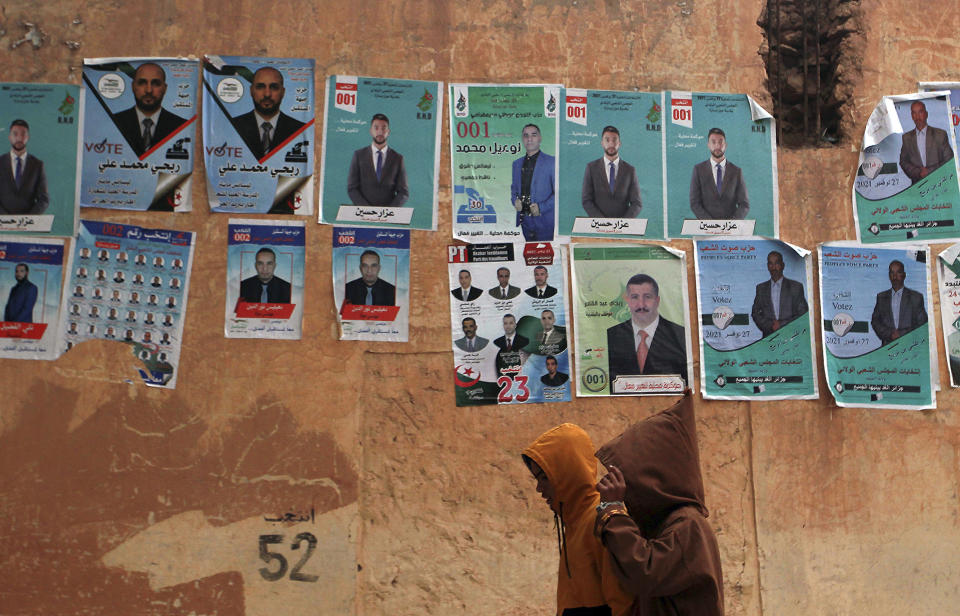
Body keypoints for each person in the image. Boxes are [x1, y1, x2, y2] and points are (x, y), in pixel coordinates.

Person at [594, 391, 725, 615]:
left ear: (654, 481)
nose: (628, 494)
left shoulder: (688, 525)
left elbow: (644, 572)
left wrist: (613, 511)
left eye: (632, 483)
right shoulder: (666, 523)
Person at [522, 424, 633, 616]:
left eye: (545, 479)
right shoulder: (575, 522)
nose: (539, 489)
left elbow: (623, 601)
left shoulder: (601, 518)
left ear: (567, 473)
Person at [607, 273, 687, 385]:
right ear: (627, 300)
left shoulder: (680, 335)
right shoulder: (611, 336)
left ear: (657, 300)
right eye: (635, 297)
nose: (641, 304)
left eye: (647, 297)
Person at [113, 63, 187, 157]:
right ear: (133, 87)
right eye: (142, 83)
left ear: (164, 89)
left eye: (156, 83)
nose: (148, 90)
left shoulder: (182, 126)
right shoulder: (114, 122)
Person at [233, 66, 306, 160]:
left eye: (274, 87)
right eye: (260, 87)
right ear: (251, 91)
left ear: (283, 92)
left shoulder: (300, 130)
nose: (267, 94)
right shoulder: (234, 126)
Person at [346, 113, 409, 206]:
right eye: (376, 128)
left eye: (384, 128)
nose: (380, 132)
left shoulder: (398, 158)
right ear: (371, 131)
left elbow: (403, 193)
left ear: (388, 131)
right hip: (363, 214)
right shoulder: (359, 155)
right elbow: (352, 188)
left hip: (388, 215)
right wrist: (367, 210)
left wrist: (388, 212)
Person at [581, 125, 642, 218]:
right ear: (602, 143)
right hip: (598, 226)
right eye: (607, 140)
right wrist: (603, 222)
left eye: (614, 140)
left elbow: (637, 203)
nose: (611, 144)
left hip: (623, 227)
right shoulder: (591, 168)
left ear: (619, 143)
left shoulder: (630, 170)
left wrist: (623, 223)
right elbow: (586, 200)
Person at [689, 128, 749, 220]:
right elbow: (694, 203)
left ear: (726, 145)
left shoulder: (736, 172)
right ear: (708, 145)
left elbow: (744, 205)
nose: (717, 146)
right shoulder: (698, 170)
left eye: (720, 142)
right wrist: (710, 223)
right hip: (706, 228)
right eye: (713, 142)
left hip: (731, 229)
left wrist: (732, 223)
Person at [511, 123, 555, 241]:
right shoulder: (516, 164)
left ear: (540, 138)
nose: (529, 139)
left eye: (533, 135)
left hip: (545, 223)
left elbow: (559, 193)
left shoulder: (552, 162)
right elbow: (514, 189)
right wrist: (514, 200)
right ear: (522, 139)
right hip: (525, 222)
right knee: (530, 255)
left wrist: (541, 207)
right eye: (526, 135)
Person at [750, 250, 808, 337]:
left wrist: (781, 325)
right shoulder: (761, 288)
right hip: (769, 339)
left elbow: (803, 313)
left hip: (791, 337)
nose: (774, 268)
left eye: (777, 263)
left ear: (783, 265)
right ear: (767, 266)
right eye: (771, 264)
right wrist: (770, 325)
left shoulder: (796, 287)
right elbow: (755, 313)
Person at [871, 260, 927, 345]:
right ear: (889, 275)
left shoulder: (916, 297)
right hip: (887, 347)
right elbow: (875, 321)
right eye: (892, 273)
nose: (895, 277)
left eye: (898, 272)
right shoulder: (881, 297)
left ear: (904, 275)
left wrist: (902, 334)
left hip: (910, 346)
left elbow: (922, 324)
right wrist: (890, 334)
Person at [899, 100, 955, 185]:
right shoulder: (906, 138)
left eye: (920, 112)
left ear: (926, 114)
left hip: (940, 184)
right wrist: (918, 172)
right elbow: (903, 161)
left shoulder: (940, 134)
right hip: (917, 187)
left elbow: (949, 159)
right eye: (914, 113)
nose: (917, 117)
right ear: (912, 116)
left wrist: (929, 171)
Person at [0, 119, 49, 215]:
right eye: (15, 134)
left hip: (29, 224)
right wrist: (6, 219)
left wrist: (29, 219)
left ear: (28, 137)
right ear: (10, 137)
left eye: (23, 134)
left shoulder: (37, 165)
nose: (19, 138)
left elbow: (44, 199)